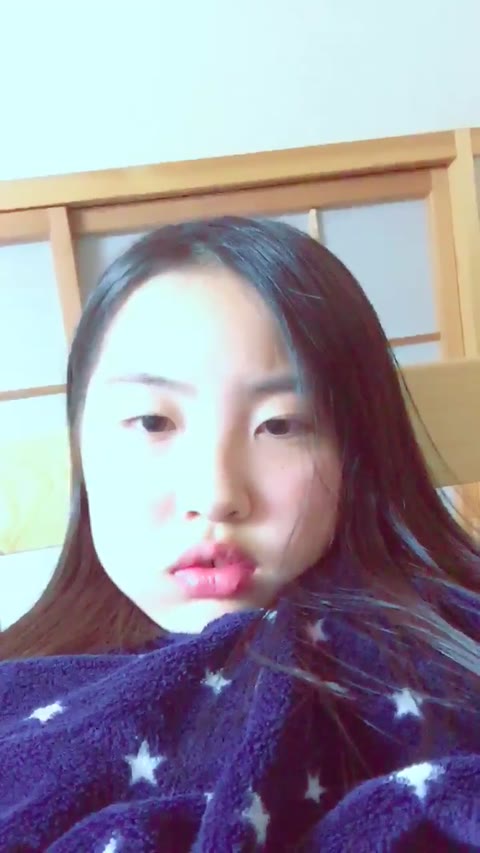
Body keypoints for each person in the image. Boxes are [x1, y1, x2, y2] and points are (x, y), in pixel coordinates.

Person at [0, 216, 479, 851]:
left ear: (357, 450)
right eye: (152, 421)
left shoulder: (445, 662)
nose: (216, 495)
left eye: (280, 425)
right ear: (81, 445)